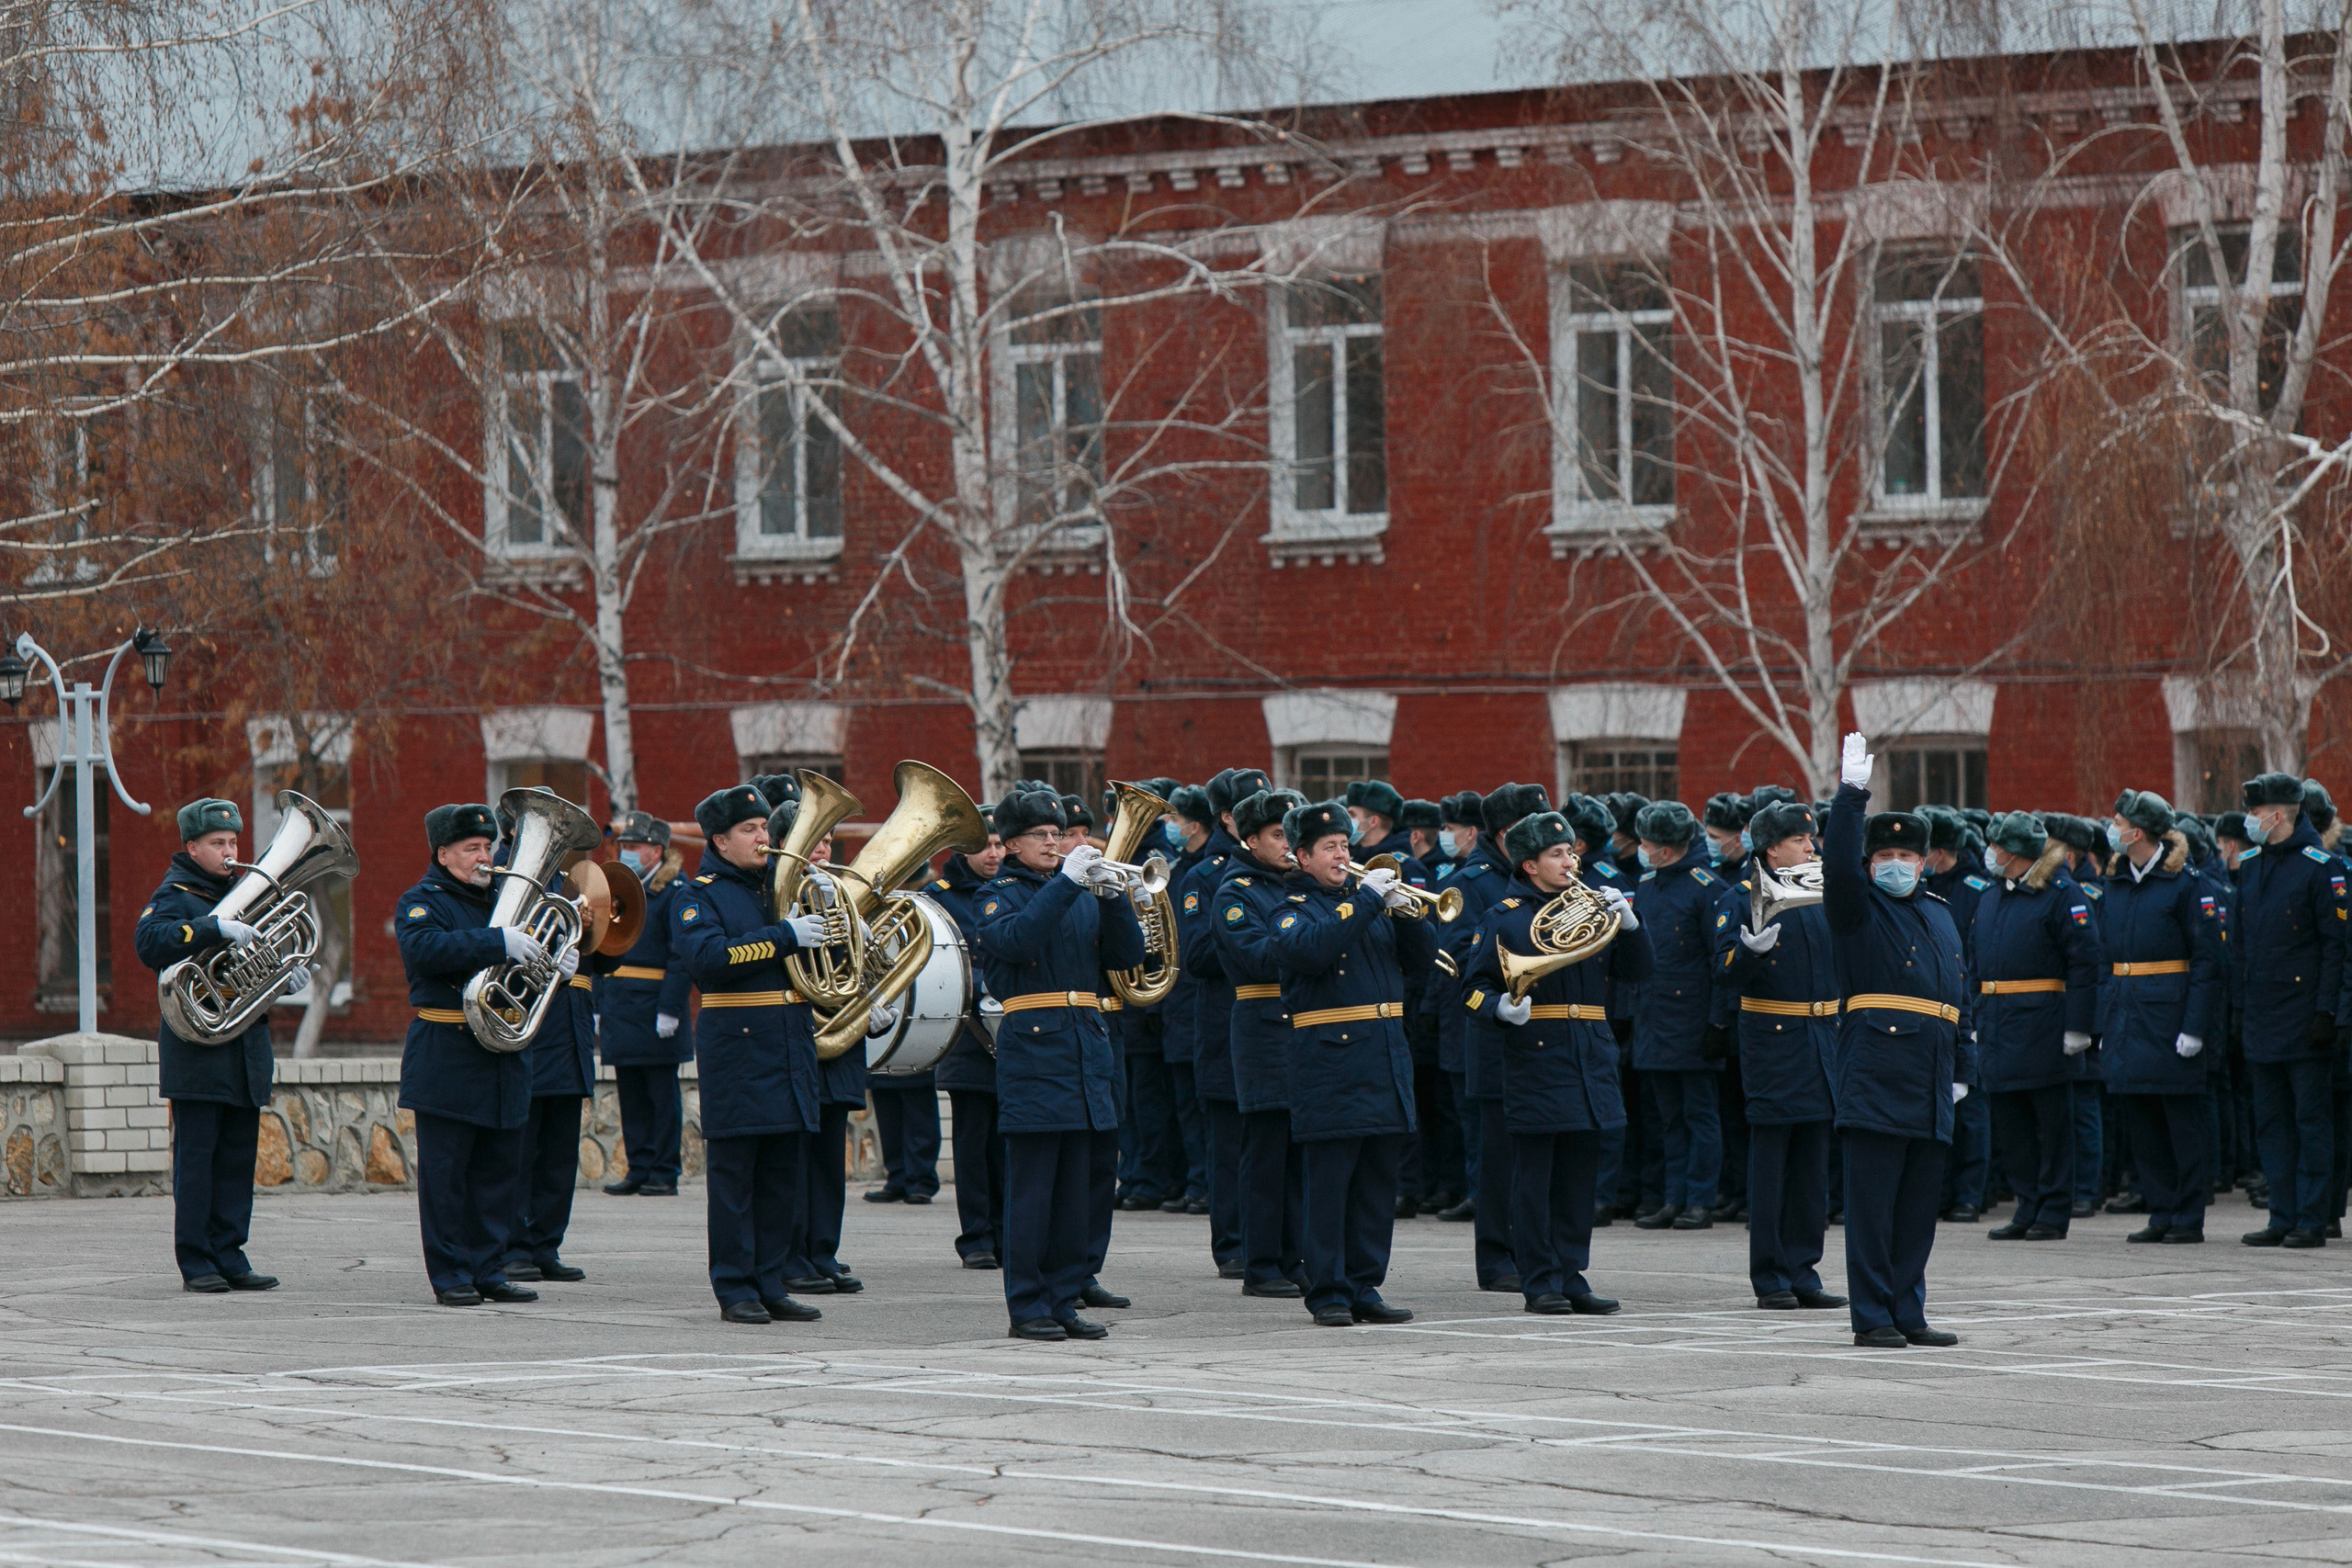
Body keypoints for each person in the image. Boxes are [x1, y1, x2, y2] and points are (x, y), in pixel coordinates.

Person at [976, 787, 1148, 1340]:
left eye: (1058, 835)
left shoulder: (1078, 893)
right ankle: (1027, 1305)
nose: (1054, 843)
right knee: (1033, 1191)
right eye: (1042, 837)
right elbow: (1019, 941)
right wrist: (1071, 882)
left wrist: (1115, 895)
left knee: (1079, 1186)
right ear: (1013, 845)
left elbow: (1127, 956)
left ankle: (1064, 1297)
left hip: (1087, 1046)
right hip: (1035, 1049)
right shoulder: (998, 893)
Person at [1465, 810, 1649, 1314]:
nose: (1569, 861)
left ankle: (1571, 1274)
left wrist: (1630, 926)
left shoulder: (1594, 908)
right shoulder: (1503, 916)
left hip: (1589, 1049)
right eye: (1556, 854)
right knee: (1534, 1179)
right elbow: (1472, 988)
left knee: (1578, 1177)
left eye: (1571, 852)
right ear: (1529, 865)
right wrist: (1500, 1009)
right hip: (1536, 1053)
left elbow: (1639, 972)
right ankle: (1540, 1279)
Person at [1823, 734, 1971, 1348]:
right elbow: (1836, 863)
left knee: (1916, 1210)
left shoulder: (1938, 911)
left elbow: (1956, 997)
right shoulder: (1858, 909)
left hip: (1931, 1072)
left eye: (1906, 854)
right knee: (1873, 1208)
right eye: (1883, 853)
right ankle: (1874, 1314)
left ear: (1925, 860)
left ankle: (1909, 1308)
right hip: (1878, 1072)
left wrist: (1964, 1065)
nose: (1895, 863)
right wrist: (1851, 797)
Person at [669, 784, 831, 1324]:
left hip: (787, 1038)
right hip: (736, 1043)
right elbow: (709, 958)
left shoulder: (782, 886)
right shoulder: (700, 894)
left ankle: (771, 1281)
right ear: (719, 839)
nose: (764, 838)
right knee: (736, 1177)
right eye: (750, 830)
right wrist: (787, 934)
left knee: (783, 1176)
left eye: (764, 828)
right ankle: (735, 1287)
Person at [1272, 799, 1436, 1326]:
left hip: (1383, 1055)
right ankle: (1328, 1290)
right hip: (1330, 1062)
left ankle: (1365, 1283)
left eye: (1345, 845)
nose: (1343, 855)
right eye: (1329, 848)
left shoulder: (1369, 903)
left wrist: (1407, 914)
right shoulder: (1290, 904)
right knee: (1330, 1183)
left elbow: (1422, 964)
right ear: (1302, 856)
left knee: (1376, 1182)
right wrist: (1366, 900)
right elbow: (1310, 951)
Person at [393, 803, 544, 1307]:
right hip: (448, 1053)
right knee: (447, 1176)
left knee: (499, 1173)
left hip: (502, 1054)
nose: (486, 857)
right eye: (472, 850)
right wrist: (498, 940)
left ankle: (490, 1268)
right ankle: (451, 1273)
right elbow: (426, 952)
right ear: (443, 854)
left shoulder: (509, 898)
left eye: (489, 847)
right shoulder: (423, 901)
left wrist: (555, 961)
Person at [135, 798, 278, 1294]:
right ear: (192, 847)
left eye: (233, 842)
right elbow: (149, 941)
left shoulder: (247, 891)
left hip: (245, 1051)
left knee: (237, 1160)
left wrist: (284, 978)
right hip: (198, 1052)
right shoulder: (175, 894)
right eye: (218, 843)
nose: (229, 851)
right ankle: (197, 1260)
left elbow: (256, 971)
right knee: (198, 1161)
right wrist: (213, 927)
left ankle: (231, 1254)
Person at [1713, 800, 1847, 1310]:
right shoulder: (1741, 896)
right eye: (1799, 841)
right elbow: (1724, 970)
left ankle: (1804, 1271)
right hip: (1774, 1036)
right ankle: (1770, 1276)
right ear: (1772, 849)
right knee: (1772, 1164)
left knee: (1813, 1164)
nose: (1811, 847)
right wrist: (1749, 952)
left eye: (1810, 840)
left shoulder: (1820, 896)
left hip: (1823, 1035)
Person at [2098, 790, 2224, 1244]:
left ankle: (2187, 1214)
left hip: (2169, 1015)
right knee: (2142, 1120)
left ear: (2140, 831)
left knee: (2179, 1122)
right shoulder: (2115, 883)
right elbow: (2102, 959)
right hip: (2127, 1014)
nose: (2112, 828)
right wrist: (2102, 1020)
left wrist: (2194, 1027)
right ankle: (2161, 1209)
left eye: (2119, 821)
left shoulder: (2186, 885)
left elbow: (2207, 963)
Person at [1973, 810, 2103, 1241]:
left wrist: (2078, 1027)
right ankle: (2026, 1205)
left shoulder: (2061, 893)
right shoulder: (1994, 895)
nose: (1990, 854)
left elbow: (2085, 962)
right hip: (1999, 1023)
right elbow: (1977, 962)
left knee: (2051, 1126)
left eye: (1995, 847)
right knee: (2013, 1127)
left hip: (2045, 1023)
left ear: (2013, 853)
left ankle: (2052, 1210)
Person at [2234, 771, 2347, 1247]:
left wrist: (2328, 1013)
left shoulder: (2321, 867)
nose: (2250, 821)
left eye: (2257, 813)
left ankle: (2312, 1217)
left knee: (2310, 1122)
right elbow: (2240, 947)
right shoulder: (2252, 864)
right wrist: (2237, 1010)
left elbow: (2336, 949)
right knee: (2272, 1123)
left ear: (2278, 815)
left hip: (2304, 1020)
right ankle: (2281, 1214)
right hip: (2262, 1016)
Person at [501, 799, 601, 1286]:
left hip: (569, 1028)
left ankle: (545, 1244)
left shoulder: (567, 886)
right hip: (527, 1027)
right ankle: (511, 1245)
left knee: (560, 1154)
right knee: (522, 1150)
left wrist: (597, 942)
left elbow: (605, 958)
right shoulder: (505, 879)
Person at [1216, 787, 1310, 1296]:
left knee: (1300, 1154)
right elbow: (1258, 956)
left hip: (1305, 1027)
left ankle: (1295, 1256)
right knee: (1267, 1154)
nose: (1288, 845)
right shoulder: (1237, 892)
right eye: (1278, 835)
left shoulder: (1302, 884)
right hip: (1264, 1027)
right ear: (1251, 840)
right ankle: (1262, 1264)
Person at [1174, 767, 1269, 1277]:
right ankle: (1231, 1242)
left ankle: (1273, 1241)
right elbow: (1198, 959)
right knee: (1230, 1142)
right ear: (1230, 820)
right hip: (1224, 1020)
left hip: (1277, 1025)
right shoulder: (1204, 876)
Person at [1629, 798, 1724, 1230]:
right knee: (1667, 1116)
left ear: (1666, 850)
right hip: (1655, 1015)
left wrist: (1718, 1022)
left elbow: (1718, 962)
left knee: (1700, 1115)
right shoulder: (1648, 884)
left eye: (1646, 843)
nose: (1641, 849)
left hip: (1692, 1019)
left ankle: (1700, 1199)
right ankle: (1673, 1196)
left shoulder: (1708, 888)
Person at [596, 812, 693, 1197]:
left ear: (656, 851)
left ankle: (664, 1171)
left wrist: (670, 1008)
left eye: (634, 847)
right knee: (631, 1092)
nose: (627, 853)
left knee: (660, 1094)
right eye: (624, 847)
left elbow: (680, 957)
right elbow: (603, 946)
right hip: (621, 1002)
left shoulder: (674, 891)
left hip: (655, 1005)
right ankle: (638, 1165)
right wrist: (597, 1005)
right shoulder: (619, 889)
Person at [926, 824, 1008, 1267]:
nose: (993, 853)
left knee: (1010, 1141)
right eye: (984, 845)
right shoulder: (939, 895)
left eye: (999, 844)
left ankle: (1009, 1231)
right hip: (969, 1034)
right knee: (974, 1142)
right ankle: (977, 1237)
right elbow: (935, 961)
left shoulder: (1017, 888)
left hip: (1015, 1031)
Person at [1921, 807, 1995, 1223]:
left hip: (1969, 1009)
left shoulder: (1975, 889)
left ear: (1941, 851)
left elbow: (1980, 954)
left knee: (1972, 1113)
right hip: (1933, 1009)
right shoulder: (1925, 886)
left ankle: (1970, 1193)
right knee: (1938, 1109)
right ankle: (1943, 1192)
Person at [1156, 784, 1218, 1214]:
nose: (1169, 828)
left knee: (1204, 1101)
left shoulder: (1209, 871)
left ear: (1194, 825)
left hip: (1199, 999)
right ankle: (1195, 1181)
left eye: (1175, 821)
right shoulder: (1177, 869)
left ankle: (1207, 1183)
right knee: (1184, 1103)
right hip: (1178, 1003)